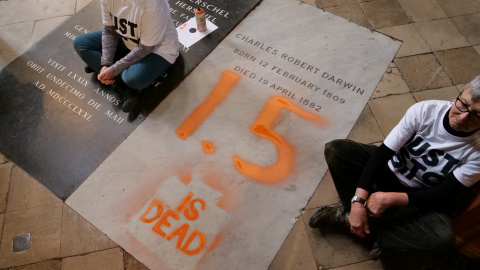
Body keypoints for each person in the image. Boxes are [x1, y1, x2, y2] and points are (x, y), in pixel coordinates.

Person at [309, 75, 480, 259]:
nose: (463, 118)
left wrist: (391, 199)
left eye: (477, 116)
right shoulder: (426, 111)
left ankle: (361, 226)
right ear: (459, 94)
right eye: (462, 104)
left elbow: (442, 194)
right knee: (337, 151)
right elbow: (382, 155)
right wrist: (357, 201)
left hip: (419, 198)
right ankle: (353, 214)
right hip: (390, 171)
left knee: (442, 238)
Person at [73, 0, 179, 112]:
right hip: (127, 40)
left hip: (157, 50)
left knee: (132, 79)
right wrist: (105, 63)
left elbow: (145, 48)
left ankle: (107, 71)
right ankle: (122, 87)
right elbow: (110, 31)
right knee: (81, 43)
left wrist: (113, 70)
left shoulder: (153, 5)